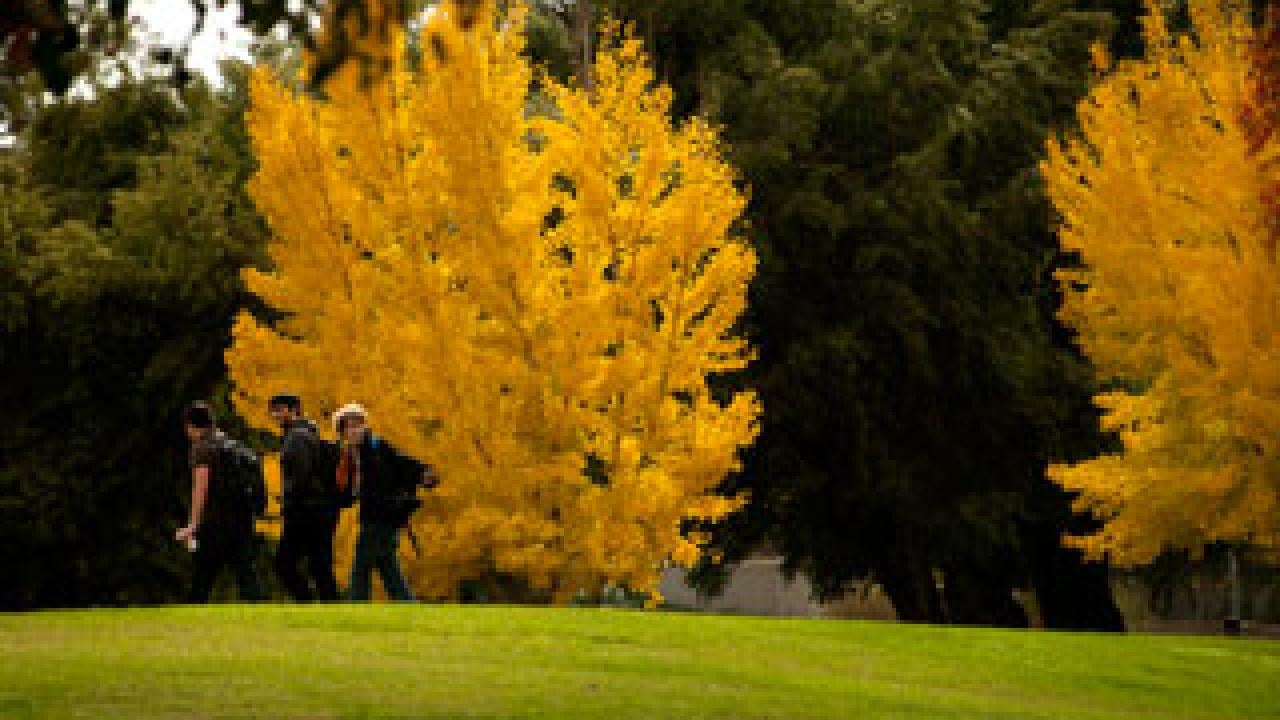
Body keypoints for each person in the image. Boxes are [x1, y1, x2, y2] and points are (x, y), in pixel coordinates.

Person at [333, 403, 434, 602]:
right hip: (373, 514)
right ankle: (408, 604)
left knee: (361, 564)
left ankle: (357, 606)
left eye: (356, 425)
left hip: (384, 514)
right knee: (388, 566)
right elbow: (351, 489)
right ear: (342, 432)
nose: (353, 431)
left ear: (364, 425)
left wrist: (424, 474)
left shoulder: (377, 446)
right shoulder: (351, 455)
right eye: (347, 427)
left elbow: (405, 463)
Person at [176, 401, 265, 603]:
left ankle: (193, 613)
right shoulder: (229, 443)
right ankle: (260, 609)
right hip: (241, 518)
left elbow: (201, 488)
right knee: (246, 572)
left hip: (215, 522)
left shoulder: (203, 449)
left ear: (191, 425)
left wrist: (193, 524)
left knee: (203, 576)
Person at [269, 393, 341, 602]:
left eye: (280, 409)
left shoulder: (297, 437)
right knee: (320, 565)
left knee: (284, 563)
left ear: (294, 410)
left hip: (306, 511)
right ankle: (329, 607)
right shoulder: (307, 433)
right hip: (320, 509)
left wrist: (287, 499)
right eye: (273, 410)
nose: (275, 415)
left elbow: (300, 477)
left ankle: (306, 602)